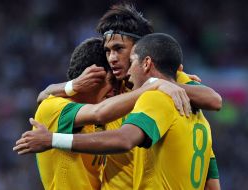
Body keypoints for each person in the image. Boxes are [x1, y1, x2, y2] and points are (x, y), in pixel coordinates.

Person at [35, 3, 221, 189]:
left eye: (119, 49)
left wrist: (163, 83)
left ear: (141, 51)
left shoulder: (164, 84)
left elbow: (213, 100)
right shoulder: (122, 85)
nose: (112, 58)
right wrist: (71, 85)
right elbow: (45, 97)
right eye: (108, 51)